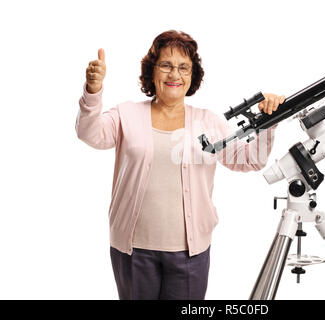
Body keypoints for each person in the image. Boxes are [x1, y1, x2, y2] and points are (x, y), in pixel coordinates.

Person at [75, 30, 285, 300]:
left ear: (192, 76)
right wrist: (93, 92)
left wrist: (268, 121)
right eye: (166, 65)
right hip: (132, 250)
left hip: (190, 255)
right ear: (152, 71)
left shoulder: (208, 122)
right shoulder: (126, 114)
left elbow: (249, 159)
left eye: (184, 68)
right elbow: (89, 133)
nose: (175, 74)